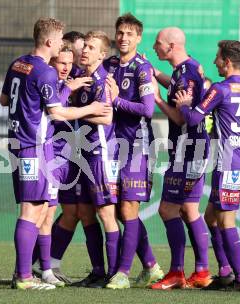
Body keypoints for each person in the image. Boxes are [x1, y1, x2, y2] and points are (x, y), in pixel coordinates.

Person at [0, 18, 110, 290]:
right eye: (60, 40)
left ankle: (28, 273)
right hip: (35, 147)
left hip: (20, 143)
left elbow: (4, 100)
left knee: (38, 211)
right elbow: (58, 113)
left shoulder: (18, 64)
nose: (63, 45)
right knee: (32, 211)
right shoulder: (45, 72)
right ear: (50, 42)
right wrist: (91, 108)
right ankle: (24, 277)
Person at [174, 40, 240, 292]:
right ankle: (224, 272)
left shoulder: (221, 89)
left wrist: (183, 104)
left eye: (217, 57)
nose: (214, 61)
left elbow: (193, 119)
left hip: (229, 163)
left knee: (226, 220)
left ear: (226, 61)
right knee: (211, 217)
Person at [102, 13, 164, 290]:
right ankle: (150, 265)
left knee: (128, 208)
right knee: (117, 210)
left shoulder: (142, 68)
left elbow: (148, 110)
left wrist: (116, 101)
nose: (123, 38)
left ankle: (123, 273)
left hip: (137, 146)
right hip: (113, 146)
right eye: (120, 33)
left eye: (129, 33)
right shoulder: (110, 64)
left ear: (139, 38)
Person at [149, 27, 212, 290]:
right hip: (197, 149)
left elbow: (178, 117)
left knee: (167, 210)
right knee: (189, 210)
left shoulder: (185, 74)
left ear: (172, 45)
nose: (155, 47)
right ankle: (202, 271)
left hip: (187, 152)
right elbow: (178, 86)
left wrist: (157, 99)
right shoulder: (188, 68)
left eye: (158, 43)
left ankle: (176, 272)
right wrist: (155, 73)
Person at [31, 42, 96, 285]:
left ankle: (45, 267)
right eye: (63, 62)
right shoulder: (51, 84)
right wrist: (73, 93)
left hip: (66, 158)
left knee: (57, 214)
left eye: (71, 63)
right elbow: (56, 114)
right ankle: (30, 270)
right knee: (40, 215)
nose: (68, 67)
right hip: (49, 157)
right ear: (52, 61)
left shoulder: (66, 82)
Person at [70, 30, 121, 288]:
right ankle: (98, 271)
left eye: (91, 47)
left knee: (105, 213)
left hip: (101, 155)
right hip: (82, 155)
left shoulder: (101, 81)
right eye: (85, 46)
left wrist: (74, 113)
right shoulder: (81, 78)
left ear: (102, 54)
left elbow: (107, 117)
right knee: (85, 213)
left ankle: (115, 274)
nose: (85, 50)